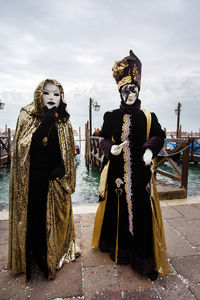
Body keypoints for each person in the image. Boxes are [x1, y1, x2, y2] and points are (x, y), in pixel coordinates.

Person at [92, 51, 170, 281]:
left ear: (138, 91)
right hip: (117, 175)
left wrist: (149, 149)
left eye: (133, 90)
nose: (130, 94)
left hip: (140, 174)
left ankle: (144, 261)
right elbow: (103, 138)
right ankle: (122, 253)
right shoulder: (111, 116)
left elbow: (159, 135)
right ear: (120, 92)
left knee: (142, 214)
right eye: (126, 90)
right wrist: (111, 148)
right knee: (119, 213)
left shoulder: (148, 116)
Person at [8, 79, 79, 281]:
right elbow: (25, 148)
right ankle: (35, 253)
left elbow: (67, 154)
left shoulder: (65, 121)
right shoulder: (27, 115)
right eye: (47, 93)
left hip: (53, 181)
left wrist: (61, 168)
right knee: (34, 220)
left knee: (51, 220)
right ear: (39, 94)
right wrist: (47, 119)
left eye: (56, 94)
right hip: (31, 180)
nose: (51, 98)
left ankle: (52, 253)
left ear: (61, 97)